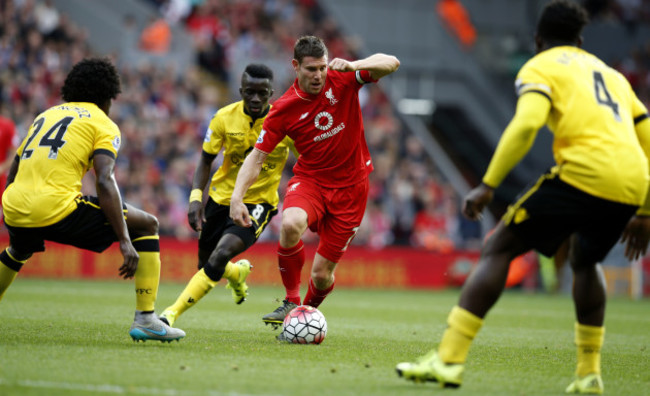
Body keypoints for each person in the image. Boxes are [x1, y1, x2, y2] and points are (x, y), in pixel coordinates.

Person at [396, 1, 650, 393]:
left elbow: (528, 122)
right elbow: (647, 138)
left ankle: (448, 359)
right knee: (586, 261)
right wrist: (646, 210)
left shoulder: (541, 66)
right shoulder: (613, 76)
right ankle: (589, 374)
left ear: (537, 40)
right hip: (632, 181)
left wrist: (488, 184)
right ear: (581, 41)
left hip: (584, 173)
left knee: (499, 246)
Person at [0, 57, 186, 343]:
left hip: (14, 203)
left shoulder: (45, 115)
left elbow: (15, 169)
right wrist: (124, 239)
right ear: (108, 96)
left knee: (18, 249)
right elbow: (104, 180)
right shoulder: (103, 123)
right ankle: (147, 319)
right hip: (55, 207)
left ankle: (19, 242)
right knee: (147, 224)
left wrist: (13, 211)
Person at [230, 36, 400, 332]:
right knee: (290, 223)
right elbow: (256, 157)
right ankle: (291, 301)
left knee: (322, 276)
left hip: (352, 189)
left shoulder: (343, 78)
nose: (319, 75)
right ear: (296, 66)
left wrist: (354, 64)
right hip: (311, 181)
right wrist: (237, 197)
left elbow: (392, 63)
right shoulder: (282, 109)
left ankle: (304, 316)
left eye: (322, 67)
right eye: (311, 69)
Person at [159, 64, 296, 327]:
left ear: (271, 92)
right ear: (241, 90)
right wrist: (196, 197)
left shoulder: (285, 122)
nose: (255, 99)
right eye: (250, 92)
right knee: (207, 264)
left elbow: (307, 161)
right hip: (220, 200)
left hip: (258, 202)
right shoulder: (223, 117)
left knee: (222, 253)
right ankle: (237, 272)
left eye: (262, 93)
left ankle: (170, 314)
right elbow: (205, 159)